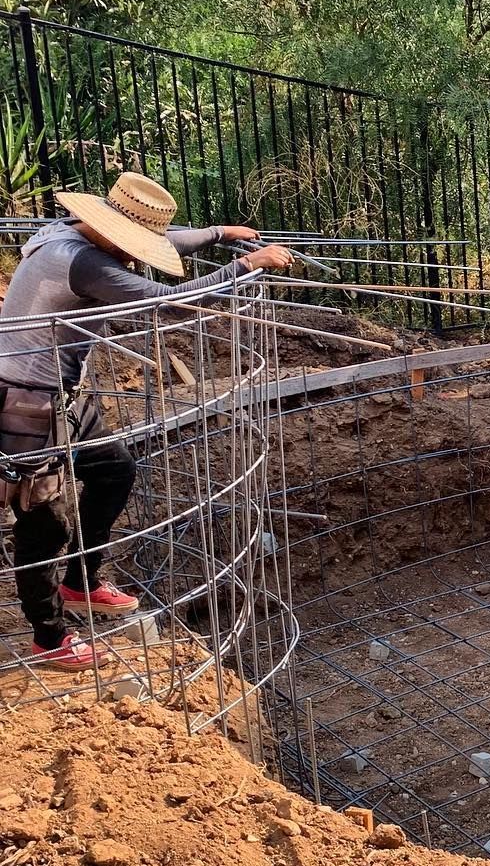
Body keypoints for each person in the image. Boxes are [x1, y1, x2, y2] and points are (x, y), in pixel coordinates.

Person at [0, 172, 294, 671]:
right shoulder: (85, 263)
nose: (138, 252)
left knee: (114, 470)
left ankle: (81, 581)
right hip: (26, 400)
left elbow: (166, 240)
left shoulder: (65, 232)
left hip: (63, 393)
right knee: (41, 519)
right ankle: (49, 639)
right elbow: (169, 301)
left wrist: (220, 234)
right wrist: (246, 266)